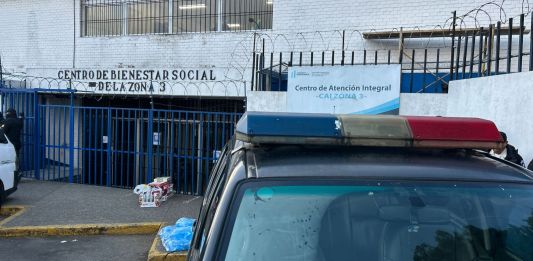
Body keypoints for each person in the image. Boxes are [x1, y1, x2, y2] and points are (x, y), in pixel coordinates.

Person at [1, 108, 24, 175]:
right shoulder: (18, 121)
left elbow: (3, 132)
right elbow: (21, 122)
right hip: (17, 144)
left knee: (8, 160)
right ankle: (17, 172)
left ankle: (10, 174)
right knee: (16, 158)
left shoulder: (6, 121)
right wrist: (21, 116)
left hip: (8, 145)